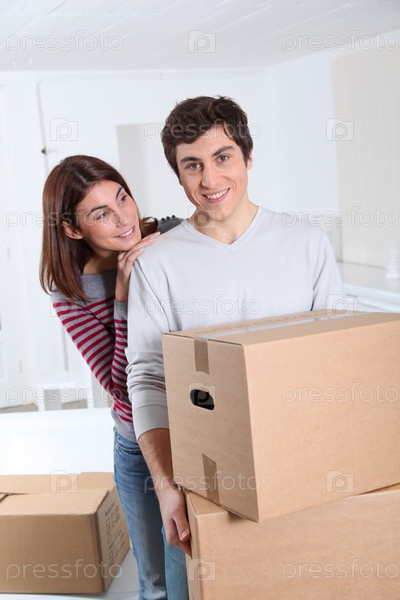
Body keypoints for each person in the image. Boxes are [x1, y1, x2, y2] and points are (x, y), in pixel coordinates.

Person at [125, 96, 346, 596]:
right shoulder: (157, 263)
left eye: (222, 157)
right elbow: (149, 379)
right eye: (192, 165)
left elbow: (333, 359)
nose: (210, 179)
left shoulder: (306, 242)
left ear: (247, 157)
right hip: (202, 483)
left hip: (299, 469)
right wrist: (167, 488)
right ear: (178, 174)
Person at [39, 154, 181, 600]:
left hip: (198, 430)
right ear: (71, 229)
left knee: (199, 572)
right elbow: (120, 386)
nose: (124, 218)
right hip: (138, 442)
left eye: (123, 198)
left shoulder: (171, 238)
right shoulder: (71, 293)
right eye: (101, 214)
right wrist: (123, 293)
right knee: (156, 583)